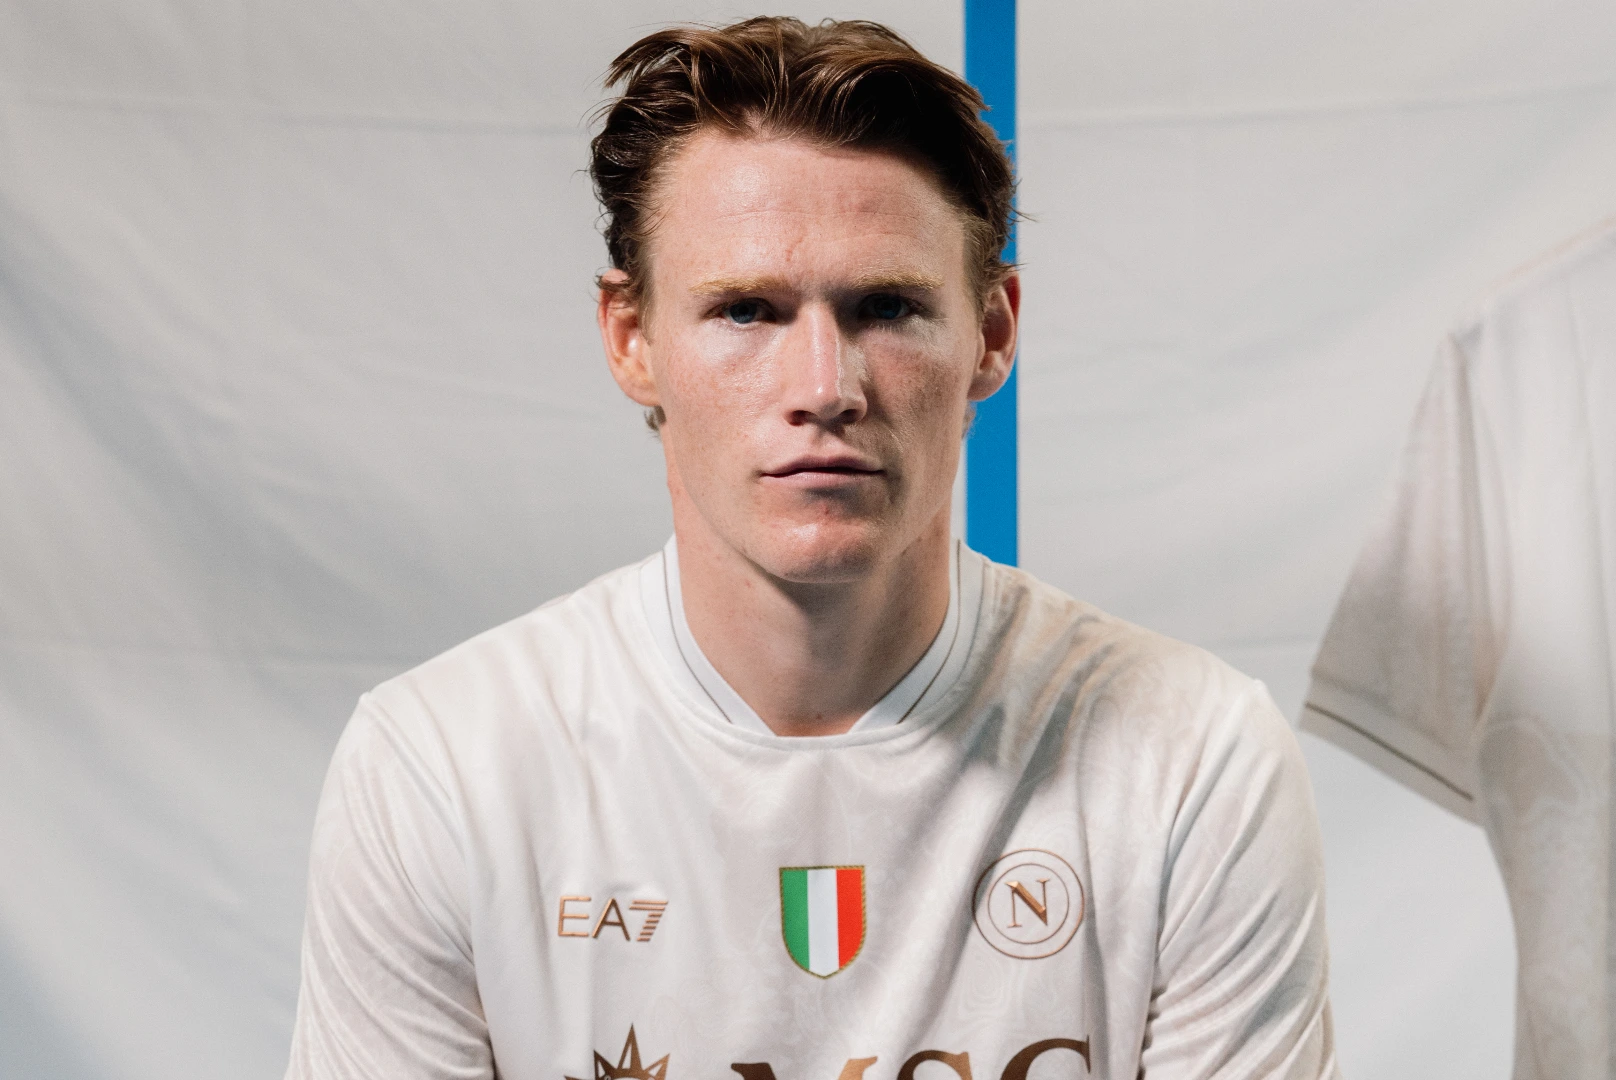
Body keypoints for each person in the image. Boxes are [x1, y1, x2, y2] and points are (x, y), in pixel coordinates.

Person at [285, 18, 1336, 1080]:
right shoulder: (442, 766)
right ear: (631, 338)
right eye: (747, 310)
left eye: (887, 308)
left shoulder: (1194, 760)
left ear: (994, 333)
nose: (825, 387)